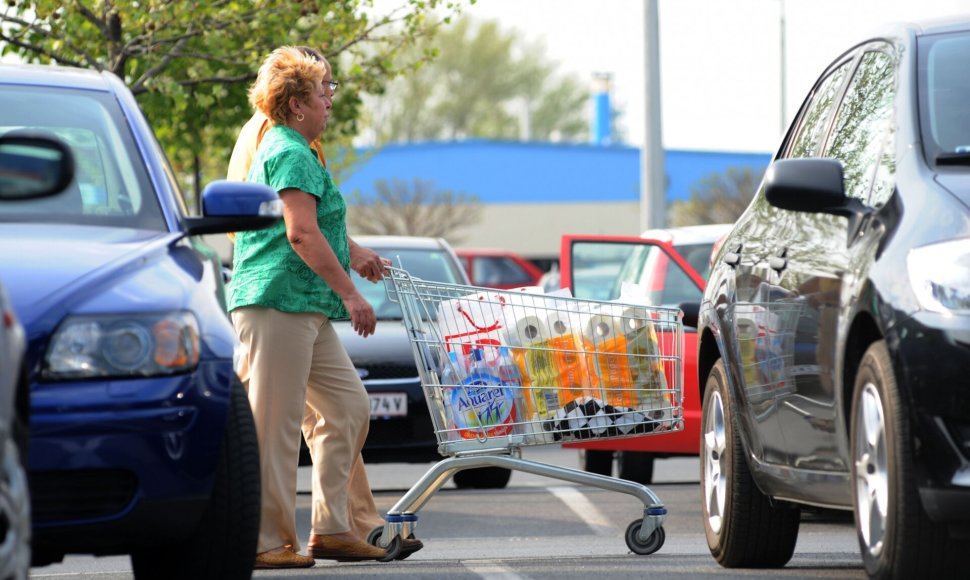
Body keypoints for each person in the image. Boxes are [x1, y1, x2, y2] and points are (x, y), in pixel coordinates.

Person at [226, 46, 425, 562]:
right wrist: (352, 294)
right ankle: (265, 541)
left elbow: (316, 228)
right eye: (323, 91)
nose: (330, 100)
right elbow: (299, 234)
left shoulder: (300, 148)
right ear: (296, 105)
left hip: (304, 308)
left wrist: (355, 255)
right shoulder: (288, 151)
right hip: (275, 303)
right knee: (275, 428)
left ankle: (332, 527)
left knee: (348, 409)